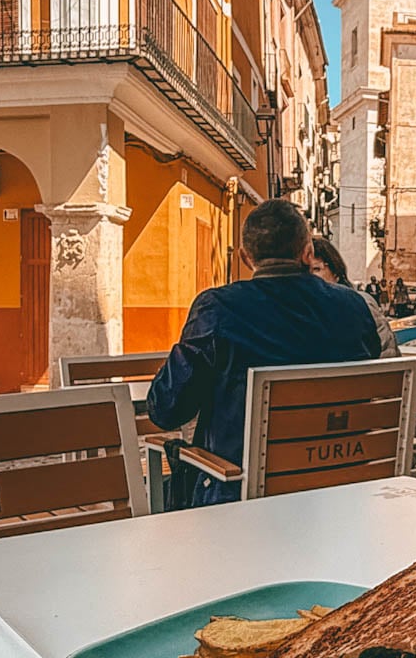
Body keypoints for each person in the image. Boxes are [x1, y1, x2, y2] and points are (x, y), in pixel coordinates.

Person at [147, 200, 380, 508]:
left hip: (243, 497)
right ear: (308, 253)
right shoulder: (354, 308)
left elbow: (166, 409)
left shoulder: (218, 309)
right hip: (341, 489)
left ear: (246, 257)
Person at [309, 236, 399, 357]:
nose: (311, 277)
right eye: (304, 271)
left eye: (316, 269)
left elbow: (385, 353)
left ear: (335, 272)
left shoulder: (362, 303)